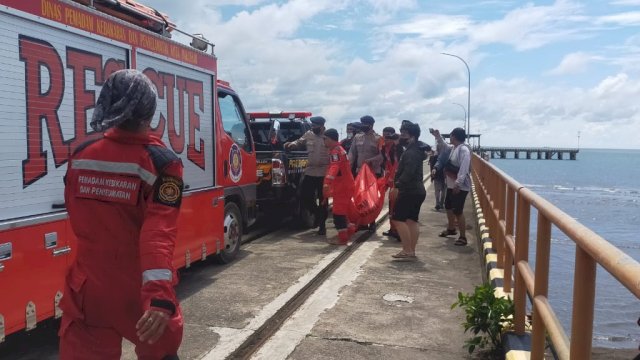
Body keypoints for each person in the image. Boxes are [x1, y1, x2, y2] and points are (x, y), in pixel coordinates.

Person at [59, 69, 183, 359]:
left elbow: (75, 212)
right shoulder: (161, 163)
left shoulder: (82, 154)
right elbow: (158, 235)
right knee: (161, 347)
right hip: (137, 290)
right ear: (149, 111)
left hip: (87, 289)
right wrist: (159, 297)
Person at [285, 116, 330, 235]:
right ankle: (317, 214)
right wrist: (291, 144)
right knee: (304, 196)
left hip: (323, 172)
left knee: (323, 200)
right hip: (310, 171)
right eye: (313, 126)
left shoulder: (328, 137)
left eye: (316, 126)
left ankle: (322, 226)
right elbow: (299, 142)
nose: (313, 127)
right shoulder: (308, 134)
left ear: (322, 126)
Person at [391, 121, 427, 260]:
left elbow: (408, 173)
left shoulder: (411, 152)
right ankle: (410, 251)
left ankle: (407, 250)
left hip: (409, 190)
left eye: (404, 133)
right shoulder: (416, 149)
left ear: (412, 136)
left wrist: (397, 186)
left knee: (398, 220)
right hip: (417, 190)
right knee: (412, 220)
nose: (401, 135)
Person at [434, 127, 471, 246]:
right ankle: (451, 229)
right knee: (448, 206)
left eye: (450, 136)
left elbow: (464, 167)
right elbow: (444, 145)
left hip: (458, 186)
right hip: (451, 184)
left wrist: (458, 183)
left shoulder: (463, 150)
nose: (450, 138)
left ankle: (463, 237)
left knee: (458, 211)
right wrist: (438, 137)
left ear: (454, 136)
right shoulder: (453, 148)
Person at [322, 128, 357, 245]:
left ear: (331, 139)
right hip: (344, 185)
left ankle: (342, 238)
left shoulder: (336, 152)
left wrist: (327, 183)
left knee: (338, 213)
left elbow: (334, 167)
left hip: (343, 187)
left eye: (325, 139)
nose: (324, 141)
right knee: (343, 211)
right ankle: (349, 230)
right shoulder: (338, 149)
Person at [381, 127, 401, 240]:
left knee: (397, 206)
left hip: (398, 181)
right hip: (390, 180)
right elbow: (387, 165)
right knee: (391, 205)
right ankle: (392, 228)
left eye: (389, 137)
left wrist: (392, 179)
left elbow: (397, 165)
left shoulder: (397, 148)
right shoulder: (384, 148)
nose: (386, 139)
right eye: (385, 137)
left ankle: (398, 230)